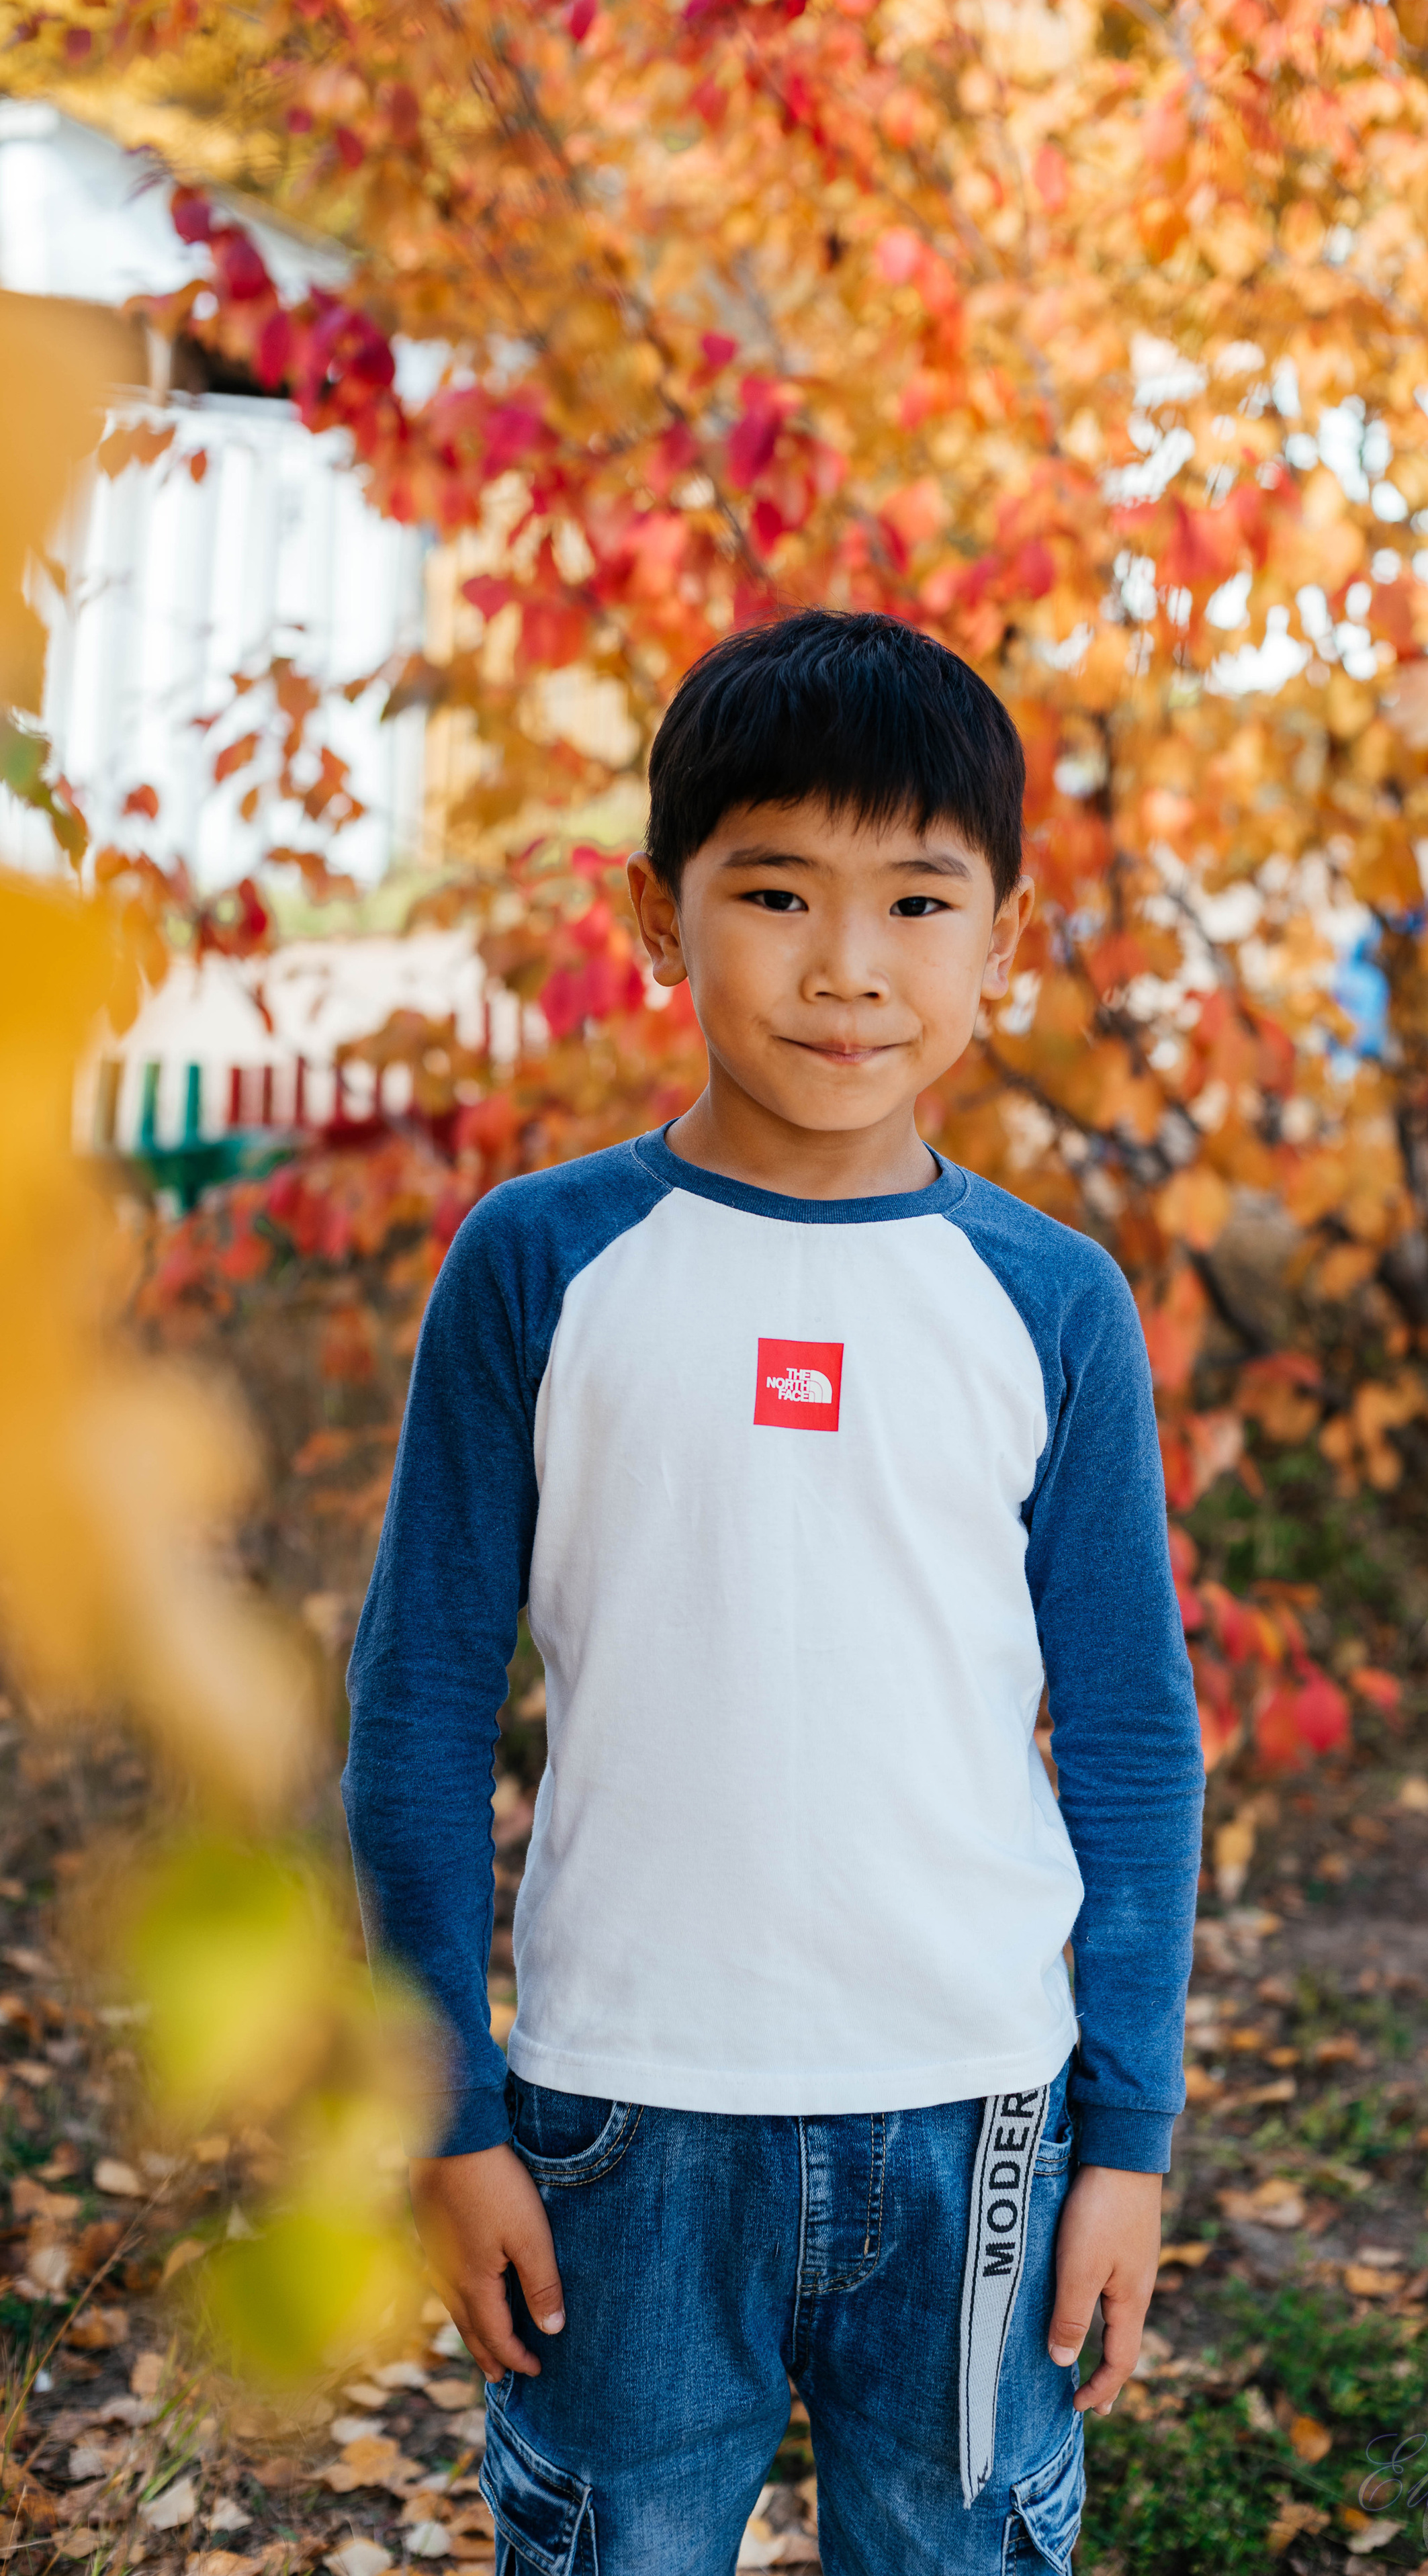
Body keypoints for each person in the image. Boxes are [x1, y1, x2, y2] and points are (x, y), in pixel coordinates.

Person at [343, 608, 1206, 2576]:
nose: (846, 966)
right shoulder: (540, 1266)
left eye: (916, 899)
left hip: (980, 2114)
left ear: (1001, 944)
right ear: (660, 915)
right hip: (623, 2120)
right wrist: (447, 2110)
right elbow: (413, 1714)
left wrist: (1128, 2137)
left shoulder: (1053, 1302)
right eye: (776, 891)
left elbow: (1138, 1740)